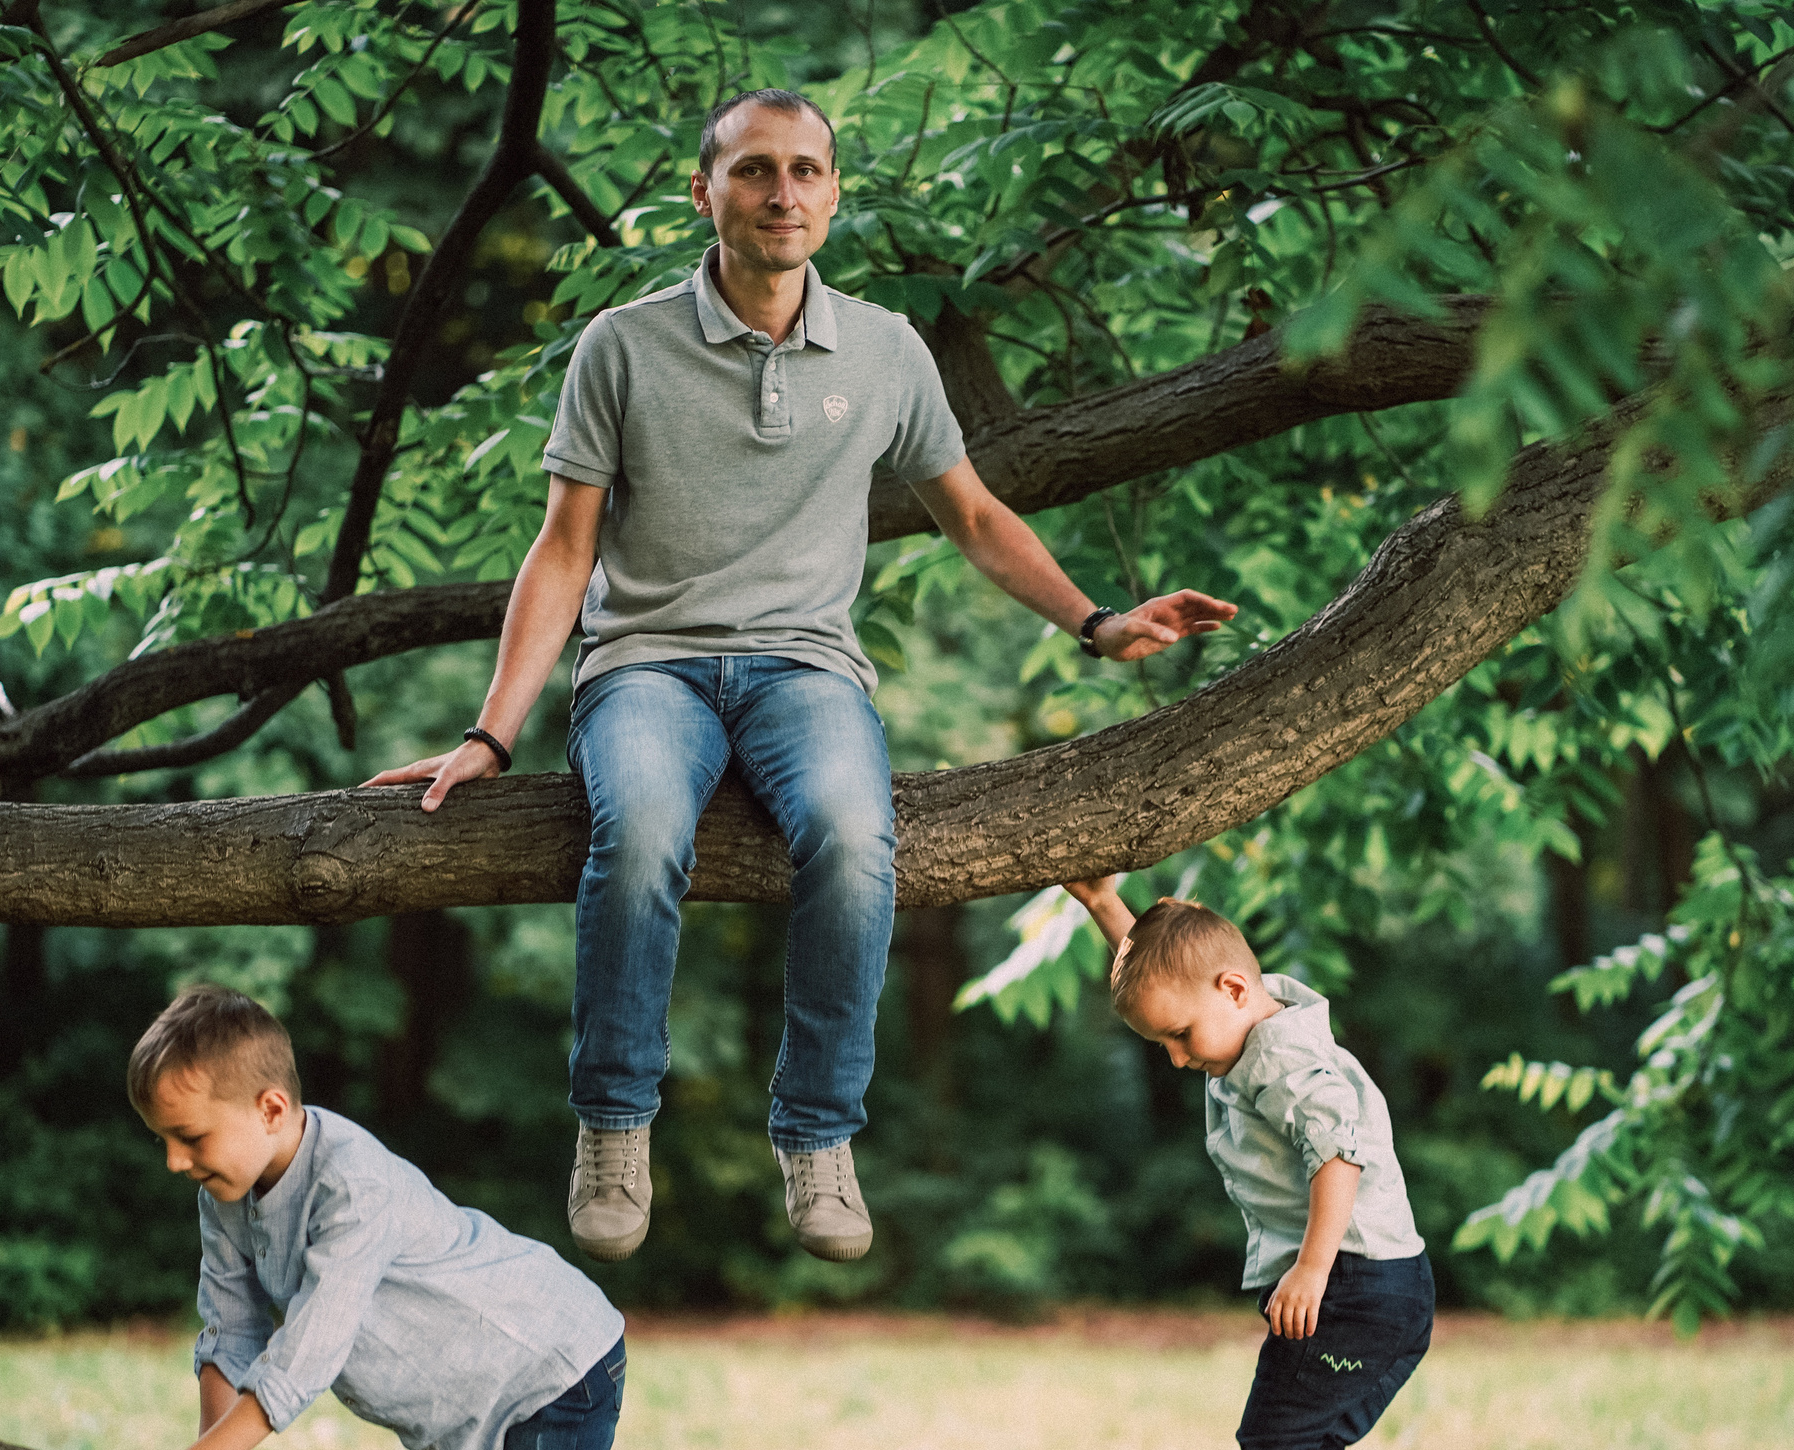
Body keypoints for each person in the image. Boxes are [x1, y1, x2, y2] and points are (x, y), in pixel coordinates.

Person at [363, 87, 1233, 1268]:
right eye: (756, 170)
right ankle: (614, 1124)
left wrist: (1097, 621)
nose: (784, 194)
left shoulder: (883, 349)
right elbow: (563, 549)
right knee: (644, 829)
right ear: (704, 191)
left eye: (807, 172)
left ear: (833, 191)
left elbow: (971, 515)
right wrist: (489, 734)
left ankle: (818, 1138)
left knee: (850, 831)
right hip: (646, 667)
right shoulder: (621, 345)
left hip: (804, 669)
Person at [99, 984, 856, 1450]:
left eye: (189, 1137)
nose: (172, 1161)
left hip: (551, 1368)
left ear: (270, 1107)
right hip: (463, 1419)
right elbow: (231, 1328)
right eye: (162, 1139)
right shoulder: (224, 1195)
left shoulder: (349, 1183)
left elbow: (307, 1351)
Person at [1062, 877, 1431, 1450]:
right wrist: (1103, 907)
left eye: (1182, 1037)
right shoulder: (1246, 1020)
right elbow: (1172, 974)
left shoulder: (1284, 1059)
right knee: (1314, 1444)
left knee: (1276, 1438)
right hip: (1389, 1286)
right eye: (1165, 1041)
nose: (1178, 1056)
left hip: (1353, 1283)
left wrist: (1311, 1268)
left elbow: (1339, 1151)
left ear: (1235, 989)